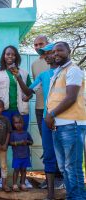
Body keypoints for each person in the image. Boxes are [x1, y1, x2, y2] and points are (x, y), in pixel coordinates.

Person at [11, 43, 61, 198]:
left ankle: (72, 189)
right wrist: (18, 76)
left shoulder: (66, 72)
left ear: (56, 53)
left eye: (48, 52)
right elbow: (28, 91)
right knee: (49, 154)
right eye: (43, 54)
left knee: (67, 155)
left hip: (65, 121)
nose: (45, 56)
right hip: (48, 119)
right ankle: (50, 194)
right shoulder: (43, 76)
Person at [45, 42, 86, 199]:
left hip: (72, 126)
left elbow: (71, 97)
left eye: (60, 50)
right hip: (59, 126)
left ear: (69, 51)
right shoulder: (59, 72)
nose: (56, 53)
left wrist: (51, 114)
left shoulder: (73, 70)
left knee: (72, 167)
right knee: (64, 167)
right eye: (54, 51)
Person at [0, 45, 32, 131]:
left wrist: (17, 76)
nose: (10, 56)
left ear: (16, 57)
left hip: (21, 111)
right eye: (8, 54)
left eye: (13, 54)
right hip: (3, 111)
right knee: (4, 136)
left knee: (20, 137)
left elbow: (29, 93)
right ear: (4, 56)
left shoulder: (24, 73)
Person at [10, 114, 33, 192]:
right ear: (13, 124)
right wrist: (18, 143)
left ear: (23, 123)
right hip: (17, 156)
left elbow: (31, 142)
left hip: (25, 156)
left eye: (20, 123)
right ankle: (14, 184)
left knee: (24, 170)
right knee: (16, 170)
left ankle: (22, 183)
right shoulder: (13, 133)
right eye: (16, 123)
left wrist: (27, 142)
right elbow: (10, 143)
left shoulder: (26, 133)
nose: (18, 124)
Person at [31, 35, 50, 136]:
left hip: (53, 107)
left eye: (41, 44)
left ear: (47, 44)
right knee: (44, 138)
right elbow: (36, 86)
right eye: (35, 45)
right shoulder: (34, 64)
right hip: (39, 107)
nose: (38, 47)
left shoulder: (54, 61)